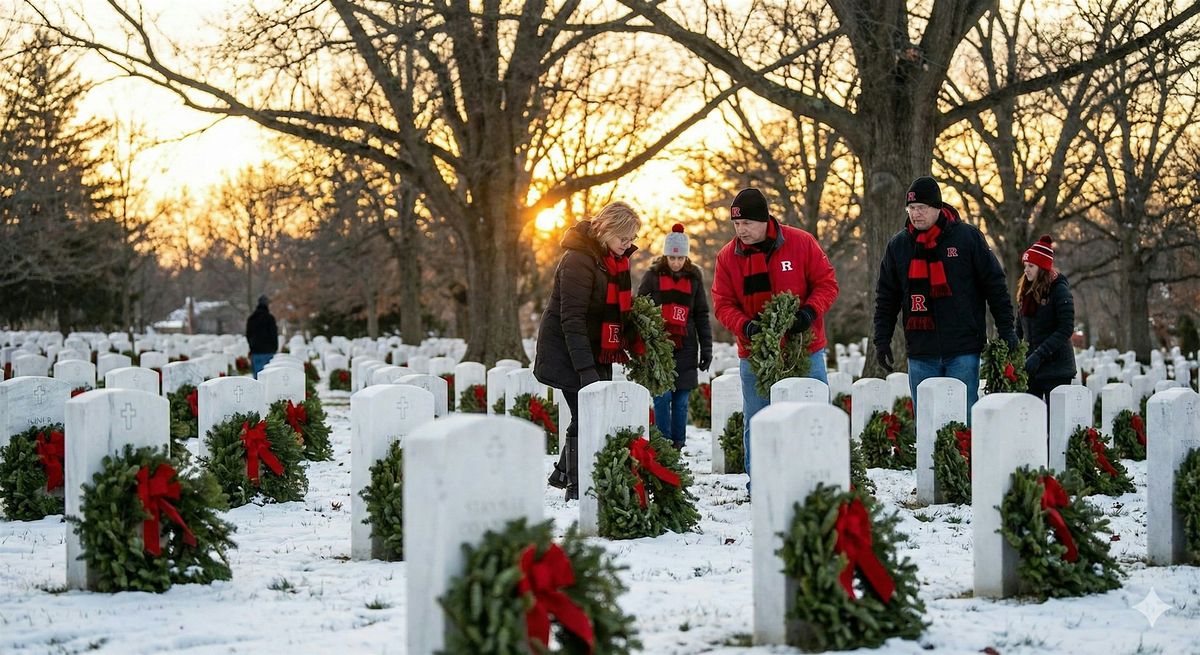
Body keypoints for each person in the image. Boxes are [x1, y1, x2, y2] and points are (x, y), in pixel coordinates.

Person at [712, 188, 839, 485]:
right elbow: (722, 303)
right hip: (755, 353)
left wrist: (808, 313)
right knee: (757, 419)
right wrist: (746, 327)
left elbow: (827, 284)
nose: (741, 230)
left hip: (804, 349)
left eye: (747, 224)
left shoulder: (801, 243)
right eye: (736, 224)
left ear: (764, 220)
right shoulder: (727, 257)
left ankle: (818, 479)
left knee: (814, 415)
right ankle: (761, 484)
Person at [873, 176, 1017, 416]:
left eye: (921, 208)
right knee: (927, 420)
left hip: (963, 348)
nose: (915, 214)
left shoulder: (967, 238)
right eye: (911, 208)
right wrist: (882, 339)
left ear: (938, 208)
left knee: (962, 417)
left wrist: (1006, 330)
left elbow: (995, 285)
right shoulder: (899, 246)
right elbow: (887, 297)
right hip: (921, 350)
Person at [534, 201, 642, 500]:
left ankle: (563, 474)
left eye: (632, 238)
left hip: (596, 348)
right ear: (607, 230)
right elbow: (572, 319)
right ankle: (577, 486)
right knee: (586, 414)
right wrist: (586, 370)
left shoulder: (613, 261)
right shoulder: (578, 261)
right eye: (624, 238)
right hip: (568, 349)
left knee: (591, 412)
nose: (628, 244)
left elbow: (618, 311)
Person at [636, 223, 713, 450]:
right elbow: (640, 308)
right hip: (660, 346)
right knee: (662, 398)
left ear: (686, 257)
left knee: (681, 400)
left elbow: (701, 315)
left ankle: (677, 445)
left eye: (680, 259)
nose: (676, 262)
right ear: (665, 255)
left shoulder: (694, 277)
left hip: (687, 345)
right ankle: (663, 445)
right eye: (672, 258)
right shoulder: (652, 276)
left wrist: (706, 349)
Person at [1016, 235, 1077, 401]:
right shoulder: (1026, 293)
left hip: (1056, 368)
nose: (1026, 270)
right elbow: (1019, 329)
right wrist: (1012, 353)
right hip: (1031, 368)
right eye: (1025, 265)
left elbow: (1065, 328)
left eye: (1031, 266)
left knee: (1054, 420)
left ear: (1042, 268)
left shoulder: (1060, 291)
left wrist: (1039, 355)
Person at [245, 295, 278, 378]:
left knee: (257, 378)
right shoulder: (270, 318)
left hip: (256, 352)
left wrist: (252, 346)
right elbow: (273, 335)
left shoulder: (252, 318)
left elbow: (248, 335)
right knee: (268, 379)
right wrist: (274, 348)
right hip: (268, 351)